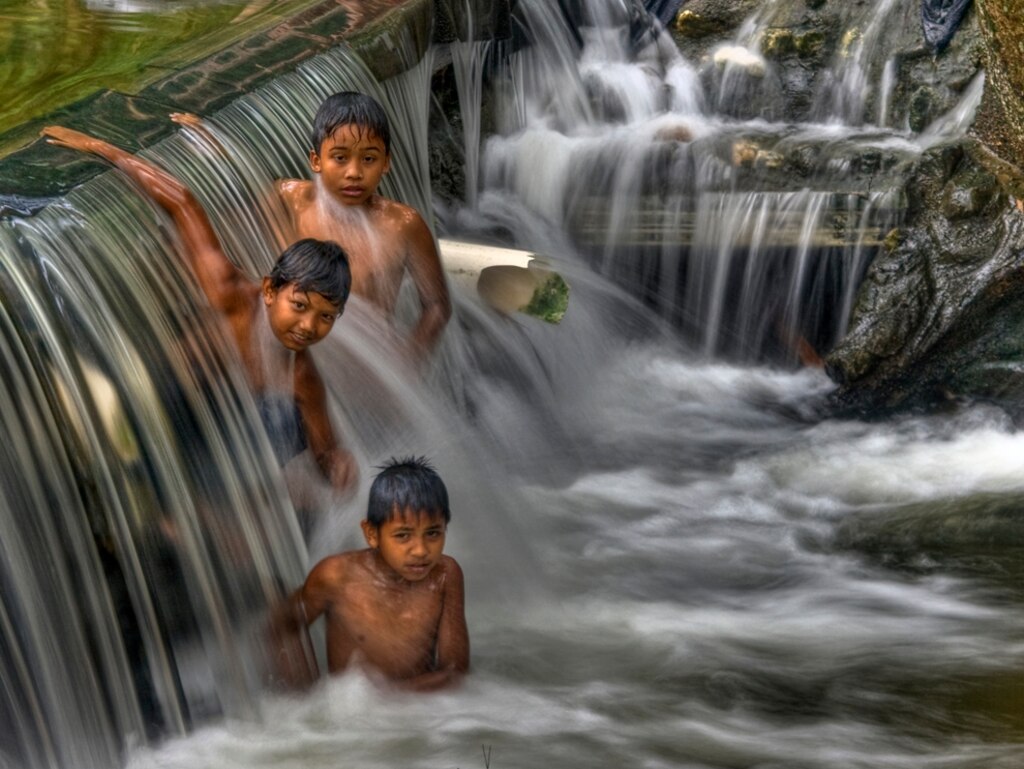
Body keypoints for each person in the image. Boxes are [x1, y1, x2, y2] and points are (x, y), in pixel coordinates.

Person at [41, 125, 359, 494]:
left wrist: (337, 467)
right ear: (270, 289)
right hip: (162, 392)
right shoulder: (229, 293)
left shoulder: (302, 376)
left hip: (221, 424)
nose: (307, 326)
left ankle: (223, 503)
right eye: (300, 306)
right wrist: (98, 146)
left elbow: (326, 450)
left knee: (288, 429)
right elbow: (182, 202)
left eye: (325, 318)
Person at [175, 90, 451, 365]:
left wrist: (409, 362)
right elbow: (238, 192)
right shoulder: (289, 199)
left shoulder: (403, 226)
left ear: (386, 163)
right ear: (316, 160)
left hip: (361, 363)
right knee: (199, 343)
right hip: (290, 348)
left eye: (368, 159)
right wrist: (210, 143)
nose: (354, 172)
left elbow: (437, 306)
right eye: (340, 158)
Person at [272, 456, 469, 691]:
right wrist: (308, 695)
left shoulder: (446, 574)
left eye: (433, 533)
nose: (420, 550)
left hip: (417, 713)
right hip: (354, 719)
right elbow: (281, 627)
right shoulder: (335, 576)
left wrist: (383, 703)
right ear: (372, 533)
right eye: (403, 535)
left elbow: (455, 672)